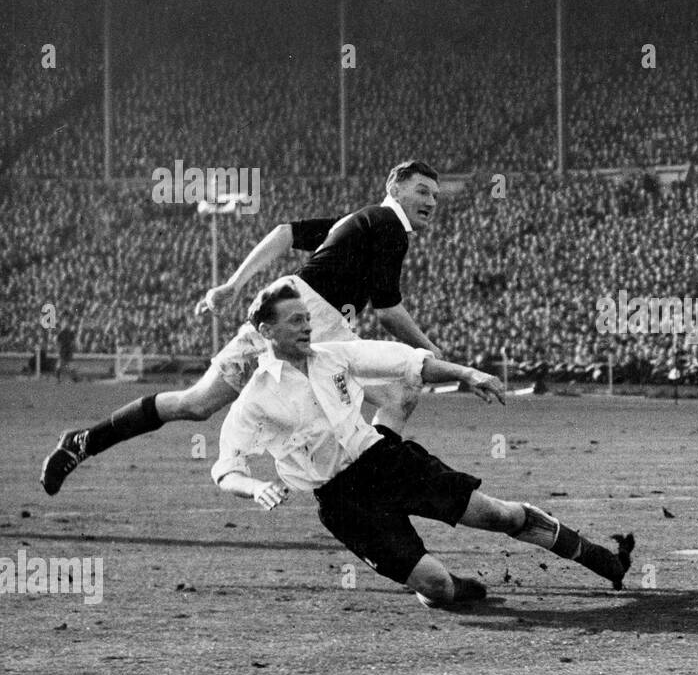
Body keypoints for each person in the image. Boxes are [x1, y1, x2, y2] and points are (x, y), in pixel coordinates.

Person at [213, 283, 634, 608]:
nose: (306, 326)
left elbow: (405, 361)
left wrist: (468, 374)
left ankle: (599, 558)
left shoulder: (334, 355)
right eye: (294, 321)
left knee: (497, 515)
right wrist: (254, 487)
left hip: (385, 462)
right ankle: (446, 588)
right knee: (436, 586)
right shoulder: (256, 398)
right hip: (343, 502)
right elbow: (226, 467)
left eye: (307, 318)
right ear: (266, 330)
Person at [42, 160, 442, 496]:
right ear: (396, 187)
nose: (431, 202)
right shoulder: (387, 222)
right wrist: (429, 351)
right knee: (399, 390)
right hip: (297, 318)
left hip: (318, 327)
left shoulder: (360, 222)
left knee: (196, 404)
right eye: (423, 191)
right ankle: (84, 440)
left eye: (436, 196)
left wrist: (234, 285)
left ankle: (372, 483)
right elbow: (388, 311)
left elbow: (285, 233)